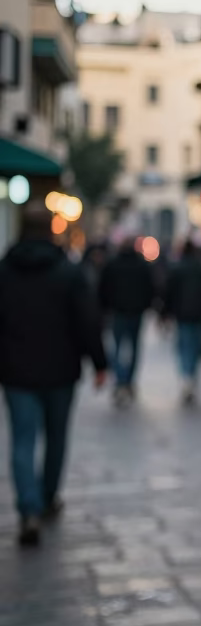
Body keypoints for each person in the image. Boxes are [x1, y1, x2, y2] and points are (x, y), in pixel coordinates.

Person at [0, 205, 108, 546]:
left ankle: (28, 508)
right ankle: (47, 498)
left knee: (22, 439)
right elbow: (87, 319)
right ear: (51, 230)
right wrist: (100, 363)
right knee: (56, 436)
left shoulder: (4, 271)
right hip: (61, 370)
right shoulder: (68, 271)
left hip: (15, 371)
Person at [99, 238, 156, 405]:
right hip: (136, 312)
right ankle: (128, 381)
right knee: (134, 347)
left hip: (118, 311)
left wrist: (106, 306)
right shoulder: (142, 265)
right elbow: (150, 288)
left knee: (117, 347)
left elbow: (103, 288)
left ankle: (120, 380)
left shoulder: (112, 264)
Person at [162, 240, 201, 404]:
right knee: (196, 347)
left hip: (182, 314)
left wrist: (165, 313)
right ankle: (191, 376)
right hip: (200, 314)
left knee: (184, 346)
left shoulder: (177, 269)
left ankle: (186, 376)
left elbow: (169, 292)